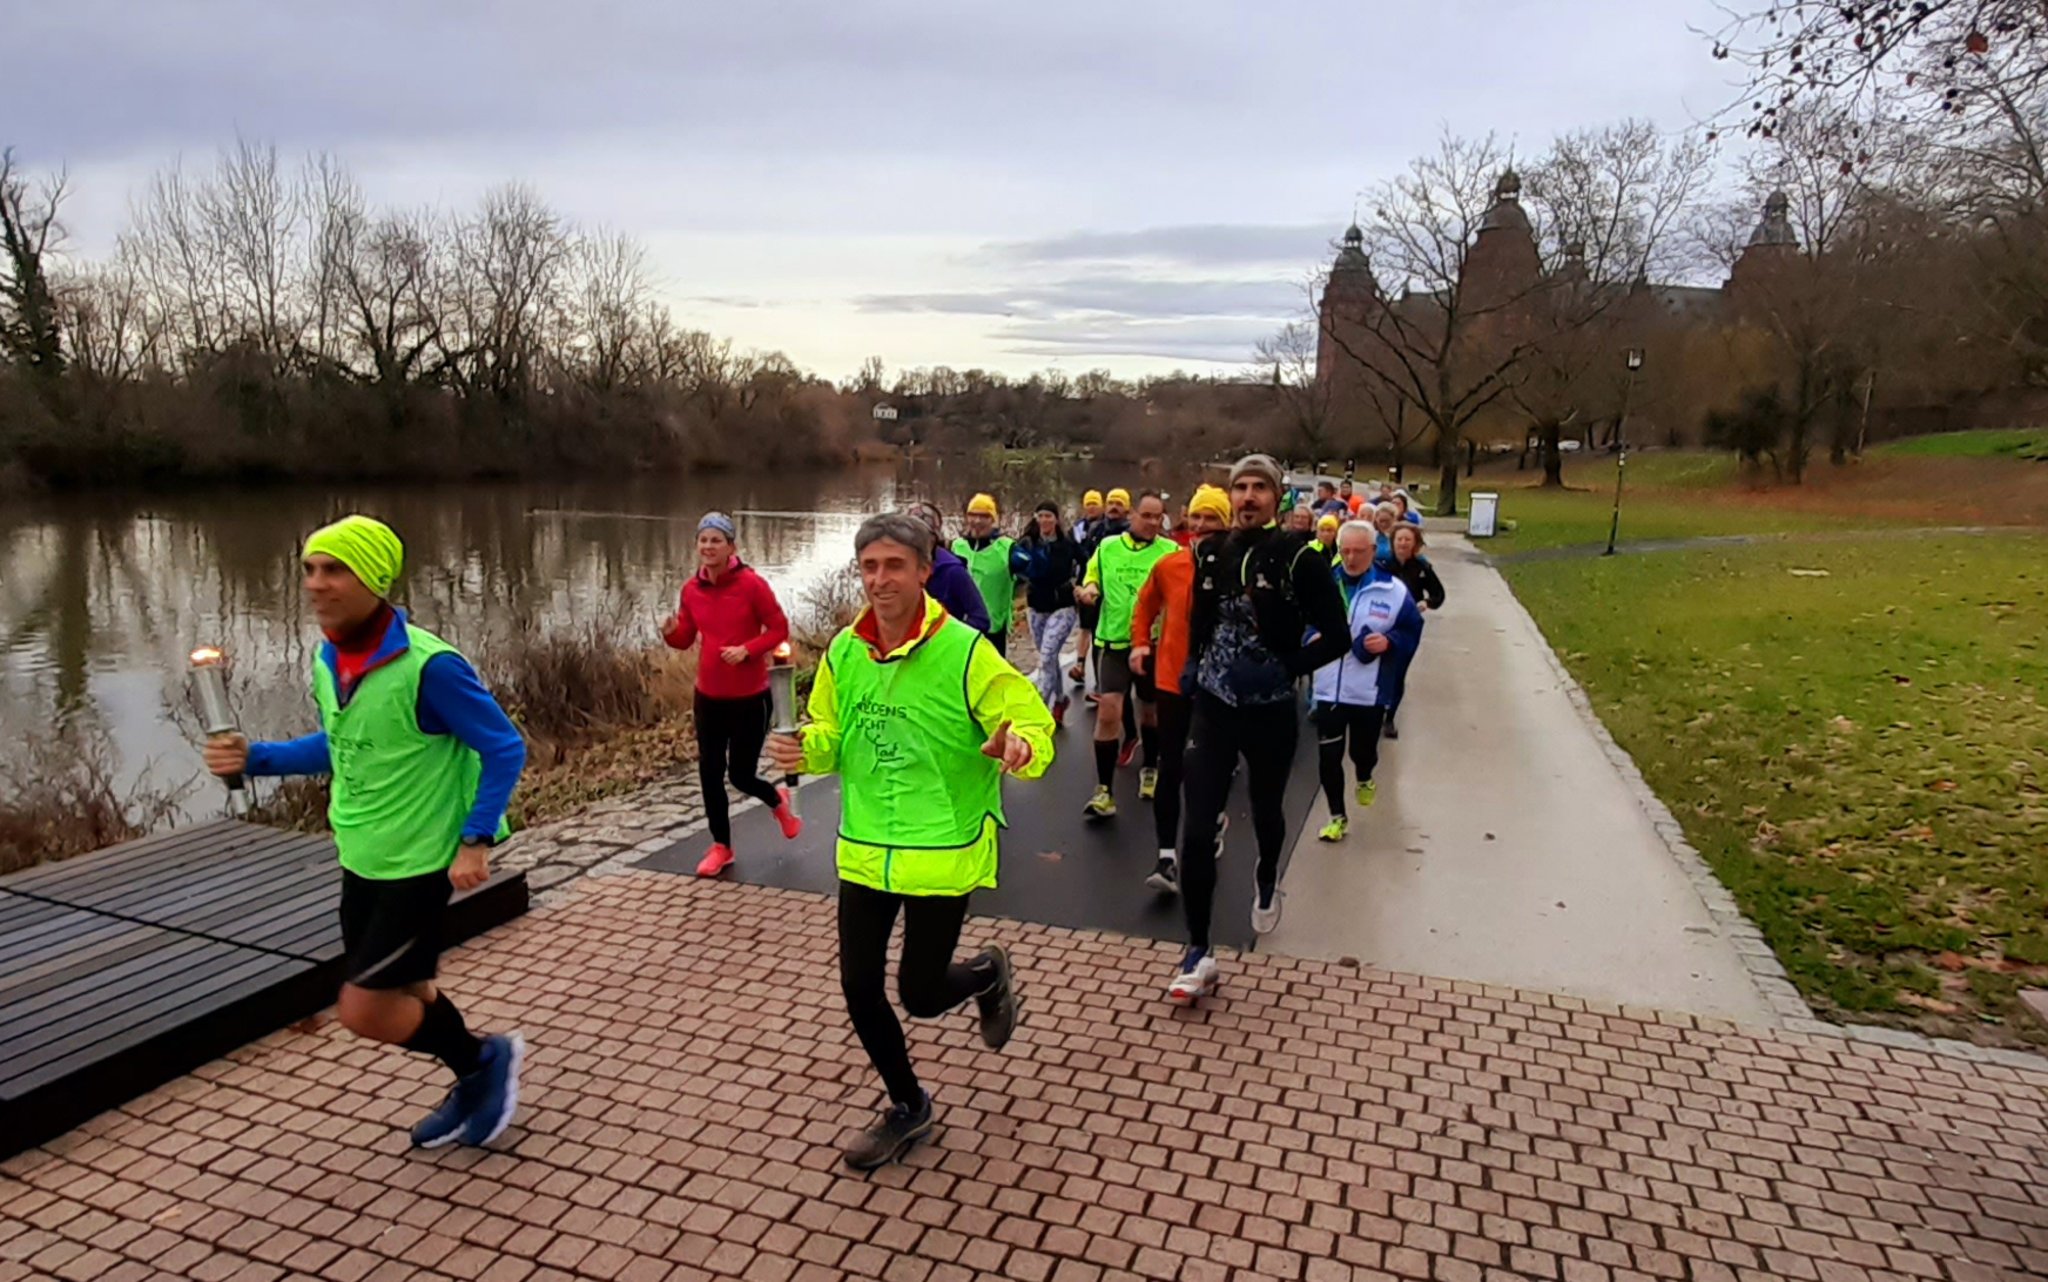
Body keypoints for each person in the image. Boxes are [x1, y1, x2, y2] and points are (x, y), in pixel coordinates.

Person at [204, 515, 526, 1148]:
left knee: (364, 1007)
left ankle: (485, 1062)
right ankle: (476, 1073)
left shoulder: (431, 668)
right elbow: (347, 743)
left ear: (375, 580)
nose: (316, 584)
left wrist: (475, 837)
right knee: (409, 988)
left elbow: (503, 746)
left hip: (418, 862)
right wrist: (257, 758)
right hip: (361, 852)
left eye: (335, 570)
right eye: (310, 569)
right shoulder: (331, 657)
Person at [765, 512, 1051, 1171]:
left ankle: (986, 973)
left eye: (894, 566)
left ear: (926, 570)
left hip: (942, 849)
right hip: (865, 845)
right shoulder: (843, 652)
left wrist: (1018, 745)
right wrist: (801, 746)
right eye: (869, 567)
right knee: (860, 987)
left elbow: (1027, 722)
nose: (880, 579)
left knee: (920, 995)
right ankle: (908, 1104)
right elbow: (832, 737)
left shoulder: (966, 652)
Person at [1168, 457, 1349, 1003]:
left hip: (1270, 708)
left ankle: (1267, 874)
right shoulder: (1211, 553)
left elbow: (1338, 634)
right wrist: (1195, 663)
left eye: (1259, 488)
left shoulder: (1301, 558)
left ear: (1277, 498)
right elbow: (1201, 619)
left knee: (1268, 812)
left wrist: (1289, 666)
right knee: (1195, 830)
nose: (1248, 497)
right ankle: (1198, 951)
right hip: (1215, 706)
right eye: (1240, 488)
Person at [662, 511, 802, 878]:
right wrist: (670, 632)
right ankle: (721, 846)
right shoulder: (691, 590)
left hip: (750, 695)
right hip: (708, 694)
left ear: (731, 547)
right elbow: (685, 638)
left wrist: (748, 650)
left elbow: (778, 629)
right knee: (710, 772)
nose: (708, 547)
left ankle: (777, 801)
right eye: (703, 540)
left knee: (741, 774)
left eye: (716, 540)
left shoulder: (751, 585)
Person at [1130, 484, 1231, 893]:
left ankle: (1216, 818)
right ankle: (1166, 858)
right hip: (1171, 679)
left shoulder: (1235, 567)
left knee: (1209, 769)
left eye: (1213, 519)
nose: (1203, 527)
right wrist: (1140, 641)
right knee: (1170, 766)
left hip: (1219, 685)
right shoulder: (1171, 565)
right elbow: (1145, 605)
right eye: (1198, 518)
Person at [1311, 522, 1421, 842]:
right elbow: (1303, 620)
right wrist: (1309, 636)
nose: (1351, 558)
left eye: (1359, 551)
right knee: (1329, 757)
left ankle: (1364, 775)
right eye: (1345, 550)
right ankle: (1336, 817)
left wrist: (1390, 642)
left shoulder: (1393, 590)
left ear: (1373, 551)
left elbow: (1412, 628)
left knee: (1362, 752)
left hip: (1368, 690)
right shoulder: (1324, 584)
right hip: (1329, 685)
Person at [1076, 490, 1174, 818]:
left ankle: (1150, 767)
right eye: (1145, 516)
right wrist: (1089, 590)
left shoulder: (1169, 551)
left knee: (1149, 712)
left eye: (1157, 517)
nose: (1151, 523)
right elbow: (1092, 578)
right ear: (1132, 515)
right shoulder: (1107, 548)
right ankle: (1104, 790)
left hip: (1151, 645)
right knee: (1108, 713)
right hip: (1112, 644)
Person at [1010, 500, 1081, 722]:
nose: (1044, 520)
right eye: (1041, 516)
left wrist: (1080, 584)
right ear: (1036, 518)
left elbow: (1087, 560)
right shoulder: (1027, 542)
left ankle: (1039, 711)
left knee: (1048, 655)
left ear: (1056, 519)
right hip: (1036, 606)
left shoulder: (1066, 544)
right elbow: (1016, 569)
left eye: (1049, 516)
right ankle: (1060, 700)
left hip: (1063, 606)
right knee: (1049, 659)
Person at [1376, 522, 1445, 741]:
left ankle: (1390, 717)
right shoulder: (1381, 564)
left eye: (1408, 540)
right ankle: (1374, 710)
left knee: (1398, 671)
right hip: (1383, 622)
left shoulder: (1422, 567)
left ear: (1415, 543)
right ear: (1392, 541)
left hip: (1408, 625)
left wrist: (1426, 603)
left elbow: (1438, 594)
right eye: (1399, 539)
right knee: (1377, 668)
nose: (1403, 543)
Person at [1069, 488, 1130, 689]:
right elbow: (1085, 559)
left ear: (1127, 508)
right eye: (1111, 502)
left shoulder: (1130, 531)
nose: (1113, 507)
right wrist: (1083, 583)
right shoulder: (1096, 530)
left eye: (1119, 504)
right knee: (1096, 636)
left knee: (1119, 638)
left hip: (1120, 593)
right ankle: (1100, 684)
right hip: (1094, 589)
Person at [952, 493, 1020, 657]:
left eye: (983, 516)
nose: (977, 521)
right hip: (962, 626)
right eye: (972, 515)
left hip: (993, 627)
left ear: (993, 520)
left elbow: (1036, 571)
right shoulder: (957, 546)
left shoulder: (1006, 548)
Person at [907, 502, 991, 634]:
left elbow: (981, 619)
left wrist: (945, 635)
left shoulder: (952, 571)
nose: (915, 543)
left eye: (922, 537)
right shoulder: (898, 569)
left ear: (933, 538)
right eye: (909, 537)